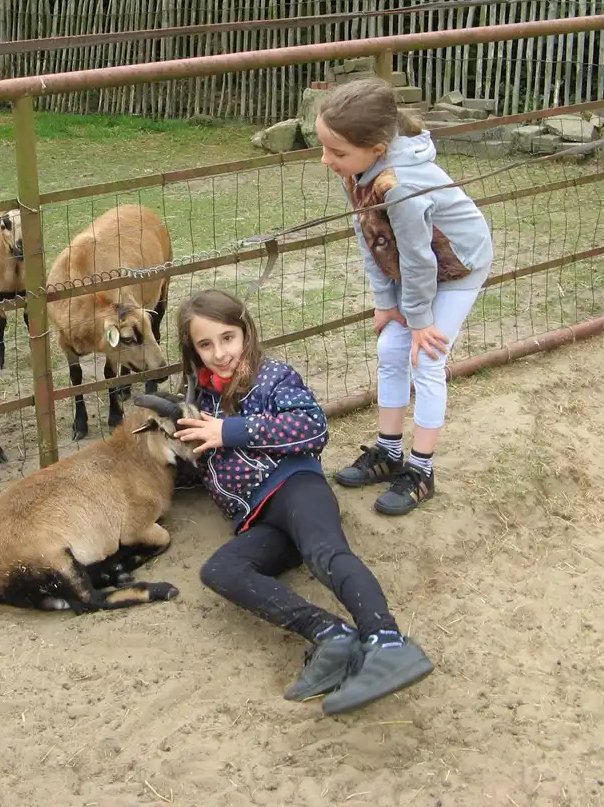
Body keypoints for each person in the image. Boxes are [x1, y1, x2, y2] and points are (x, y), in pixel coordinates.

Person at [173, 287, 432, 716]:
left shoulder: (271, 376)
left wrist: (229, 431)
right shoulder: (198, 401)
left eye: (227, 338)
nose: (219, 353)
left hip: (295, 488)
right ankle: (331, 635)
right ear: (193, 351)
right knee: (220, 570)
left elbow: (312, 428)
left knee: (326, 554)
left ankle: (386, 641)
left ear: (246, 334)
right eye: (205, 344)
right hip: (258, 521)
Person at [315, 78, 494, 516]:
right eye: (324, 148)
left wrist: (417, 320)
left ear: (377, 147)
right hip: (414, 262)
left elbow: (419, 258)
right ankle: (389, 451)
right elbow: (367, 235)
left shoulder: (401, 185)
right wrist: (385, 300)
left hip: (458, 264)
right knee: (390, 347)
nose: (326, 161)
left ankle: (421, 470)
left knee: (426, 356)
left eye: (336, 152)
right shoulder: (357, 172)